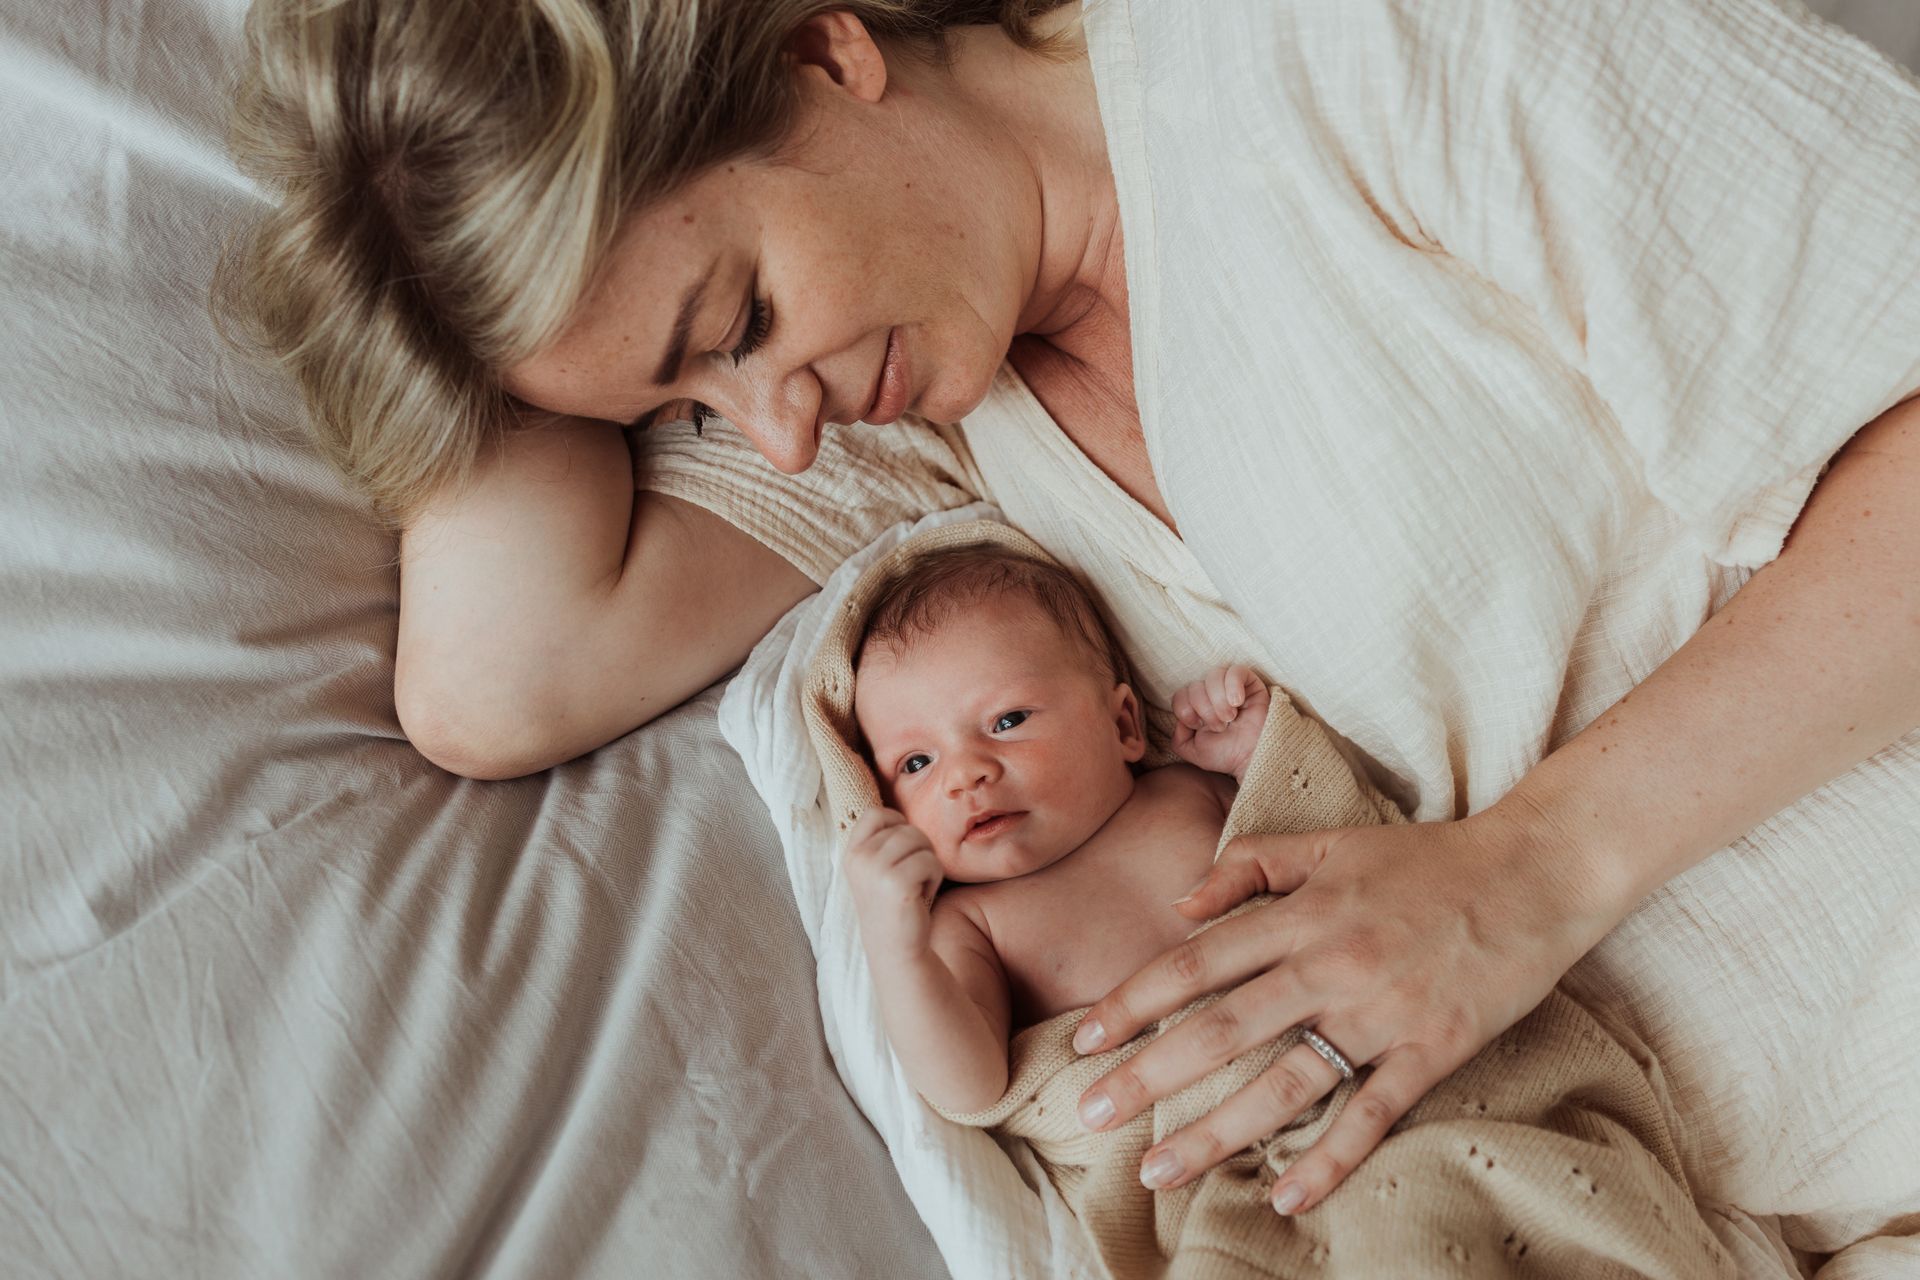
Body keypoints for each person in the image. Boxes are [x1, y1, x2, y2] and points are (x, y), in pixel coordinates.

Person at [225, 0, 1920, 1223]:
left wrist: (1533, 873)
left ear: (825, 49)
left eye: (737, 317)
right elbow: (495, 682)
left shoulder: (1347, 52)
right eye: (684, 409)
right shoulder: (939, 443)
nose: (781, 425)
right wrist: (445, 272)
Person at [840, 540, 1264, 1108]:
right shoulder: (971, 923)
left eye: (1007, 720)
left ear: (1123, 727)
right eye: (916, 763)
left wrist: (1251, 756)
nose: (964, 775)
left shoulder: (1189, 792)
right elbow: (969, 1086)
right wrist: (896, 952)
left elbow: (1314, 835)